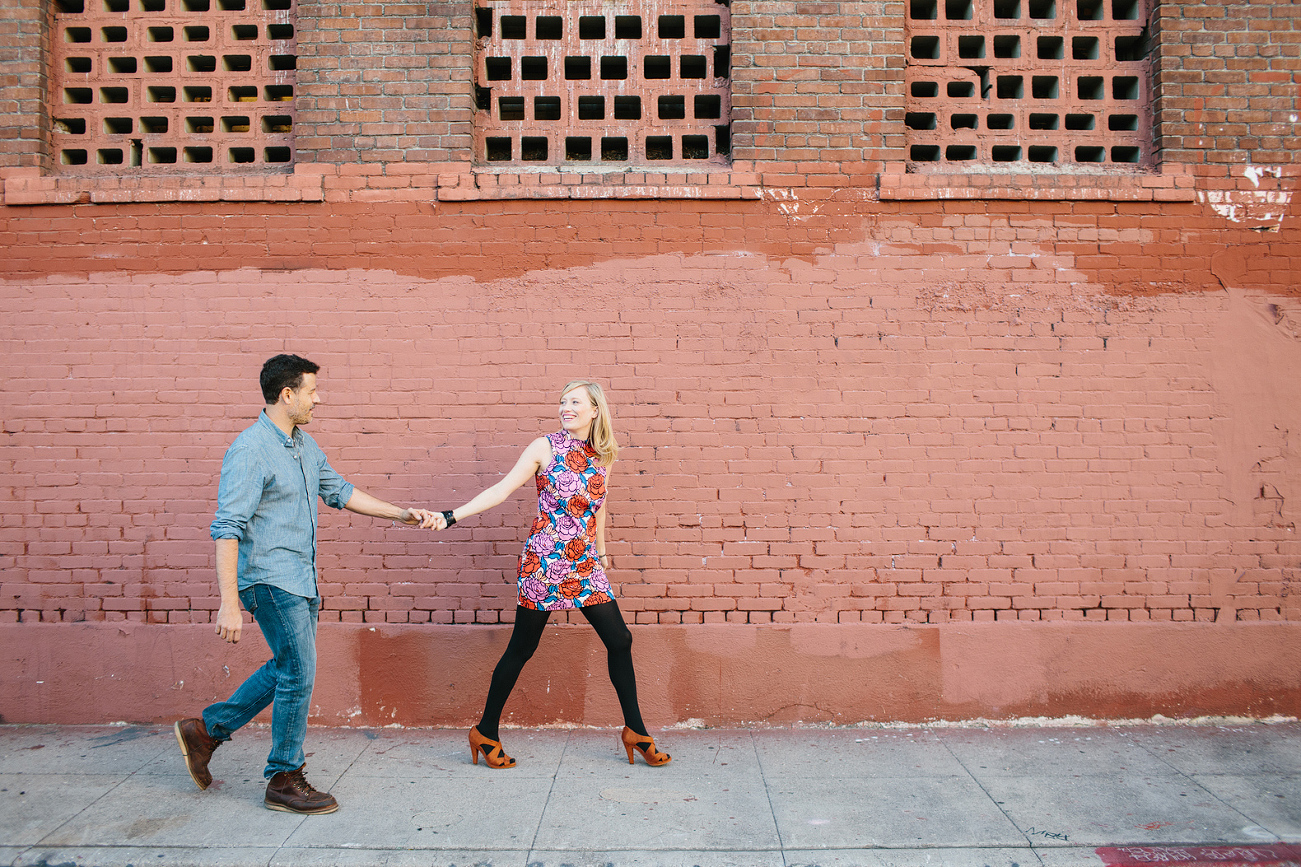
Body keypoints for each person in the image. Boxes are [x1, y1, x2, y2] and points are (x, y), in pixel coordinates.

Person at [174, 354, 437, 814]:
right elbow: (227, 526)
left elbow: (341, 491)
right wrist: (228, 602)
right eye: (312, 390)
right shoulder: (249, 450)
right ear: (287, 394)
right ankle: (284, 776)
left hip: (299, 577)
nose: (320, 397)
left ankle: (206, 731)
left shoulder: (304, 446)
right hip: (270, 579)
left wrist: (401, 513)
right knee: (299, 671)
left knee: (288, 667)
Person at [433, 380, 671, 769]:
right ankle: (486, 730)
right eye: (563, 401)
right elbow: (503, 489)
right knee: (523, 648)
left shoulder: (603, 454)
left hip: (585, 562)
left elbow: (600, 507)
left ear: (595, 410)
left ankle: (636, 731)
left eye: (575, 401)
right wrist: (452, 516)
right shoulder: (545, 446)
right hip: (544, 561)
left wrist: (602, 550)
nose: (566, 407)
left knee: (620, 639)